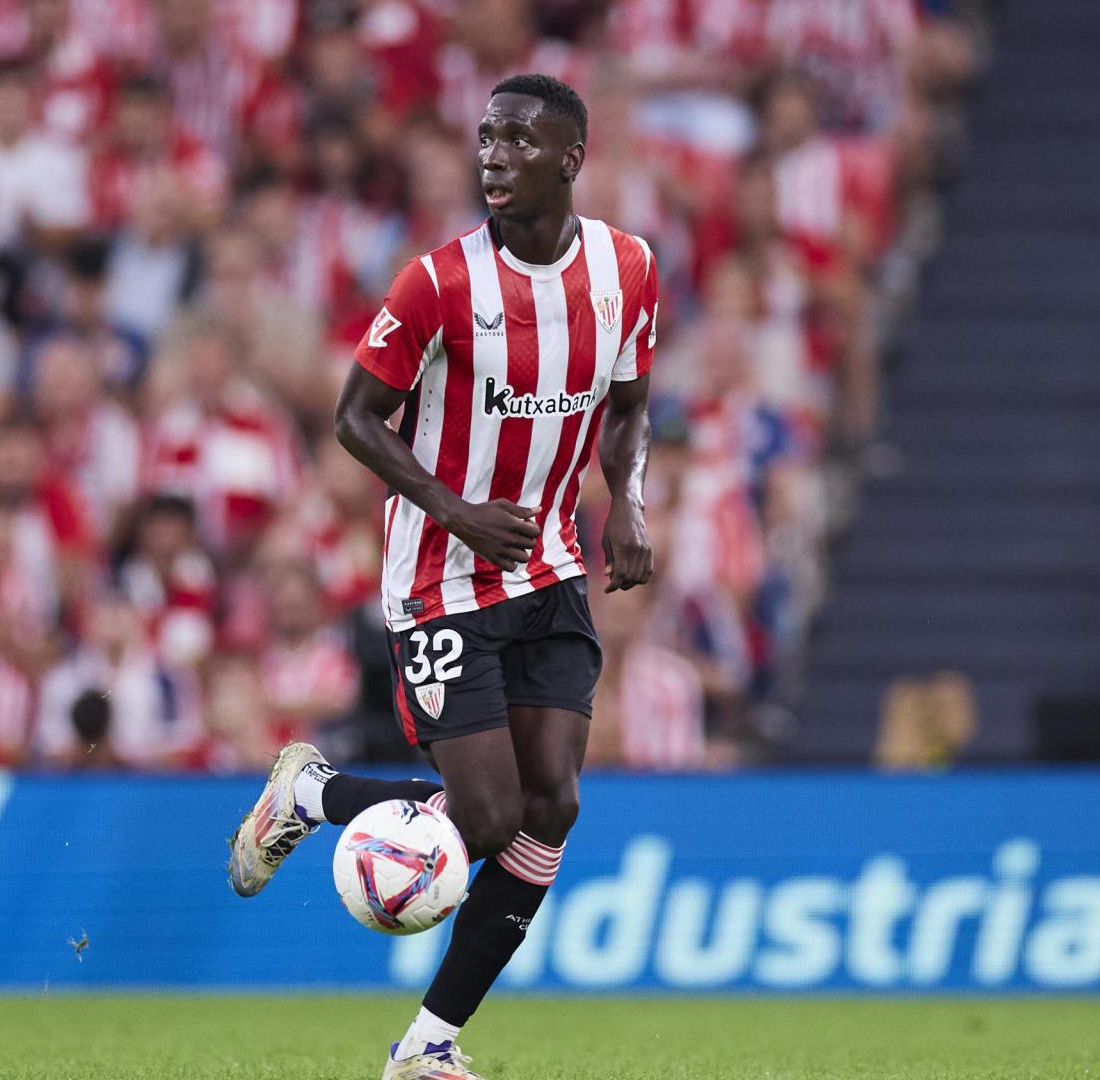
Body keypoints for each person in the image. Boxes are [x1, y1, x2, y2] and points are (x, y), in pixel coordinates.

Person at [226, 74, 657, 1080]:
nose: (494, 155)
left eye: (518, 140)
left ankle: (428, 1045)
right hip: (441, 581)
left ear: (570, 159)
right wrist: (456, 510)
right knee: (492, 815)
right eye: (486, 137)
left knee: (554, 803)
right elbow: (353, 418)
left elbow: (632, 404)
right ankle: (314, 792)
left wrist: (629, 500)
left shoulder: (627, 269)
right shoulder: (437, 284)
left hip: (548, 569)